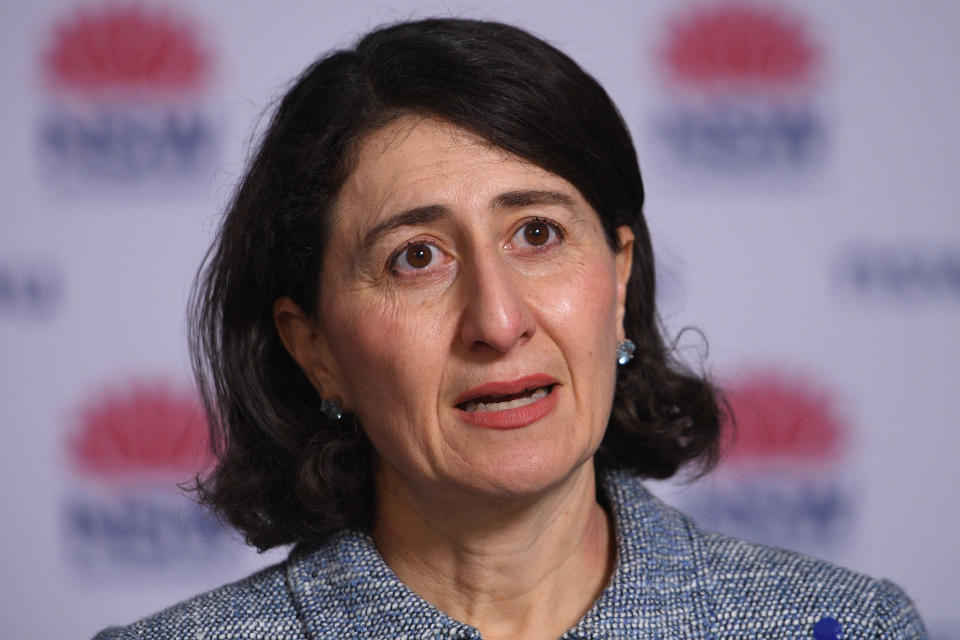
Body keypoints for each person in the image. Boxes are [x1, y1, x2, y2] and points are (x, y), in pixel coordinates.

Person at [94, 18, 926, 640]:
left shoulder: (843, 625)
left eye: (537, 234)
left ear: (619, 275)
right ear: (314, 349)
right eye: (416, 257)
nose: (497, 321)